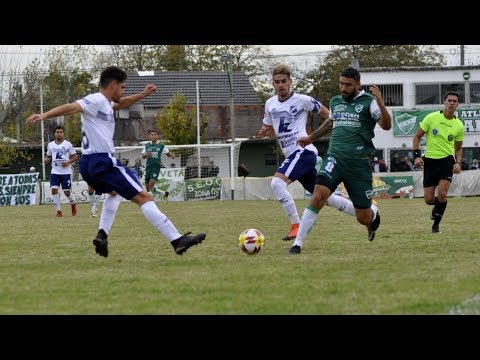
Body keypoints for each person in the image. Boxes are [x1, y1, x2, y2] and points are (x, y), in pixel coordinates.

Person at [27, 65, 206, 258]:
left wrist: (142, 95)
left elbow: (121, 103)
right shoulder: (95, 99)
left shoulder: (106, 103)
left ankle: (102, 235)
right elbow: (73, 107)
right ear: (113, 84)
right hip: (103, 161)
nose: (123, 91)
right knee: (145, 198)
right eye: (122, 87)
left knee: (113, 193)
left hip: (89, 164)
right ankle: (177, 240)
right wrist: (44, 115)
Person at [257, 63, 379, 242]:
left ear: (291, 81)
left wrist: (339, 131)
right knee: (327, 199)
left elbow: (330, 115)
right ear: (273, 84)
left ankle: (296, 225)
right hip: (291, 154)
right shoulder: (270, 104)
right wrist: (265, 130)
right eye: (277, 82)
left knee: (276, 183)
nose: (281, 85)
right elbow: (270, 124)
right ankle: (372, 213)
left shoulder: (303, 100)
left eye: (284, 81)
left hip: (303, 152)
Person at [290, 67, 392, 254]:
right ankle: (297, 244)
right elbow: (330, 122)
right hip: (334, 157)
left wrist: (381, 103)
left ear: (358, 85)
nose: (343, 88)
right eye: (341, 84)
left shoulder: (369, 102)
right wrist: (310, 138)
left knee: (363, 217)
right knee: (318, 194)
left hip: (358, 163)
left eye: (348, 85)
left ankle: (374, 214)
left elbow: (386, 126)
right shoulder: (336, 101)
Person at [412, 91, 464, 234]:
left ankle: (436, 226)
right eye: (450, 100)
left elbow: (458, 148)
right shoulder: (432, 117)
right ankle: (438, 207)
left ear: (458, 104)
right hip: (430, 161)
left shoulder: (459, 125)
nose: (452, 103)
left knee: (442, 194)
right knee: (428, 199)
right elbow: (416, 137)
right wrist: (417, 156)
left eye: (455, 101)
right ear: (444, 102)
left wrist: (458, 163)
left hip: (447, 162)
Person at [44, 125, 78, 217]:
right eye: (57, 132)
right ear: (54, 134)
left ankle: (73, 203)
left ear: (63, 134)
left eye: (61, 132)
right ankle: (58, 211)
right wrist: (46, 159)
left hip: (66, 172)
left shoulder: (68, 144)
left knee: (66, 192)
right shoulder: (51, 145)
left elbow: (75, 156)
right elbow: (48, 156)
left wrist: (68, 162)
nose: (59, 134)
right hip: (55, 171)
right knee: (54, 190)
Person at [142, 129, 175, 203]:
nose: (153, 136)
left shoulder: (161, 145)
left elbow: (167, 153)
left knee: (151, 183)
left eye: (155, 135)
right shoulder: (147, 145)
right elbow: (143, 156)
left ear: (157, 136)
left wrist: (172, 155)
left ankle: (150, 202)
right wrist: (147, 155)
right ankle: (164, 193)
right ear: (150, 136)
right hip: (148, 167)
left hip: (156, 166)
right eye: (152, 135)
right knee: (148, 187)